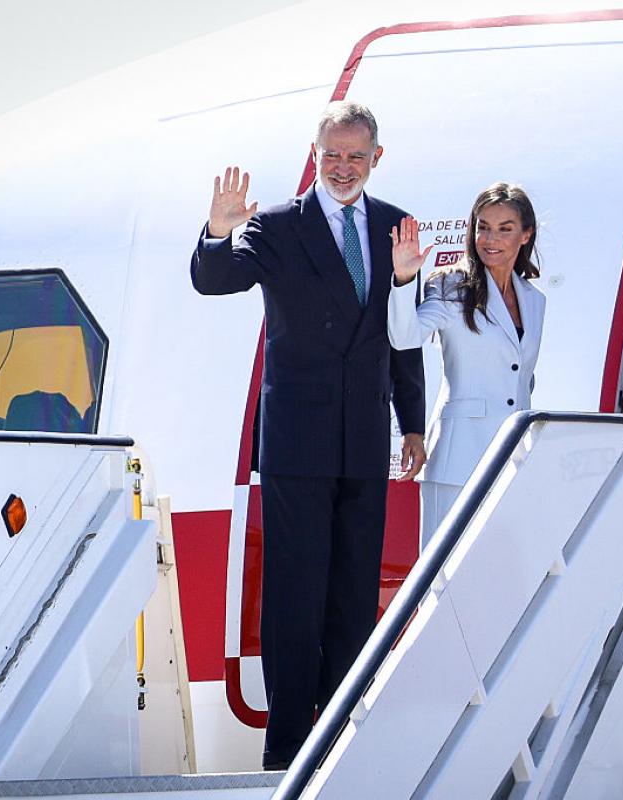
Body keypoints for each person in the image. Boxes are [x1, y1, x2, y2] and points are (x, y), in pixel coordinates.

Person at [189, 101, 426, 771]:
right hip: (297, 438)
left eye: (355, 156)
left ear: (375, 157)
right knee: (294, 596)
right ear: (314, 155)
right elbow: (215, 280)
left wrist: (411, 420)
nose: (343, 168)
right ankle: (288, 748)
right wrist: (216, 230)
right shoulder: (278, 225)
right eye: (332, 156)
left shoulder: (391, 226)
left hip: (362, 438)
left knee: (353, 597)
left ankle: (347, 741)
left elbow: (399, 337)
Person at [387, 183, 545, 548]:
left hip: (512, 458)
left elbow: (521, 378)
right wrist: (403, 279)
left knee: (503, 574)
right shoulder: (451, 286)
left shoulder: (534, 300)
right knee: (445, 581)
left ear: (525, 235)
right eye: (483, 226)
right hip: (458, 459)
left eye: (505, 228)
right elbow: (404, 336)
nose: (491, 238)